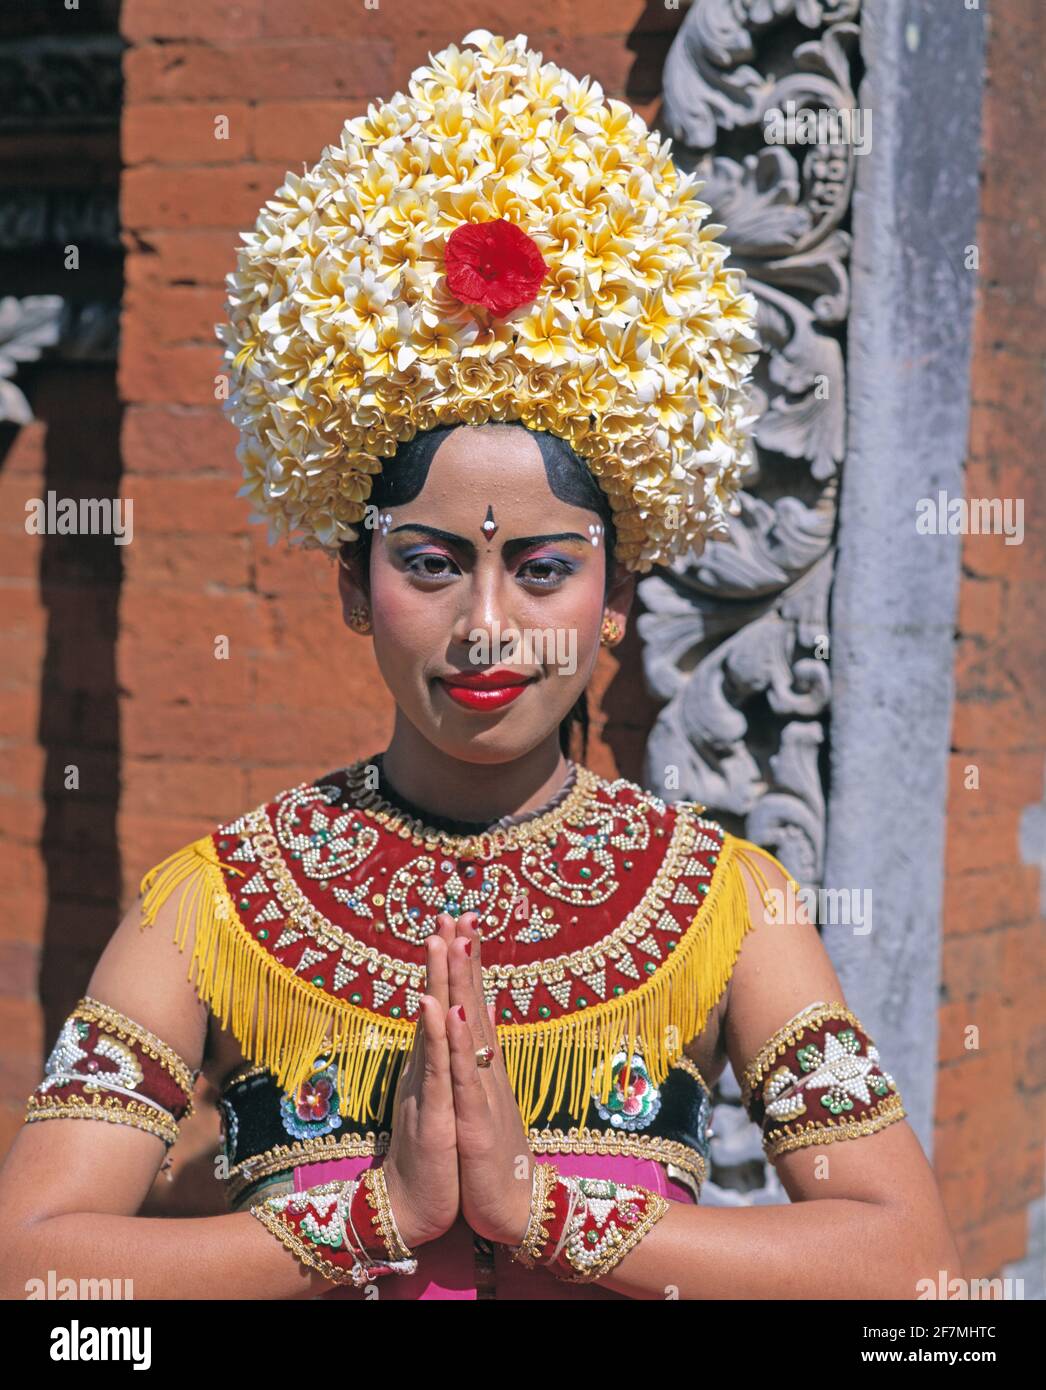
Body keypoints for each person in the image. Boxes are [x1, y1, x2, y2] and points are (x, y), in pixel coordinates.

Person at [0, 30, 959, 1300]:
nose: (487, 626)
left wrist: (539, 1208)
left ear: (616, 598)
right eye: (433, 563)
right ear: (354, 587)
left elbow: (907, 1266)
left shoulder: (726, 902)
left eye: (545, 569)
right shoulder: (216, 904)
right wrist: (371, 1216)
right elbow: (33, 1269)